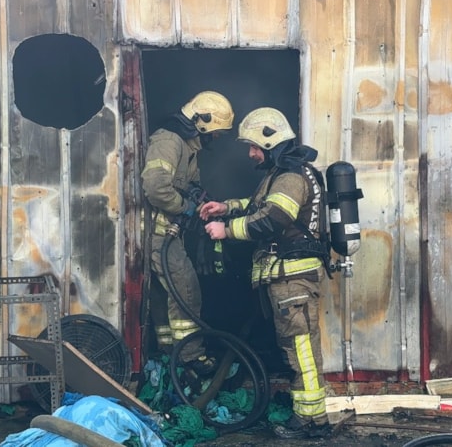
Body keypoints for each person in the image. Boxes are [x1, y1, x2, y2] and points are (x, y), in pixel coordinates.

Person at [200, 107, 330, 438]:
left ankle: (311, 421)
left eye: (255, 146)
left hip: (292, 281)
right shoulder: (281, 176)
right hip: (286, 281)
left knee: (300, 350)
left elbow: (273, 219)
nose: (251, 154)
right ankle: (310, 417)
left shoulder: (290, 177)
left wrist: (225, 230)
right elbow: (259, 205)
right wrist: (226, 207)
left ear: (271, 141)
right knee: (297, 349)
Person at [141, 90, 234, 373]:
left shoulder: (187, 147)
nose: (216, 138)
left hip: (168, 234)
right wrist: (185, 208)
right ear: (202, 122)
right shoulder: (169, 142)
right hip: (160, 234)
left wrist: (202, 200)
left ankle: (169, 352)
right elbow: (156, 187)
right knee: (186, 289)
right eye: (216, 131)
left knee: (162, 296)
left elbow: (189, 185)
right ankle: (191, 357)